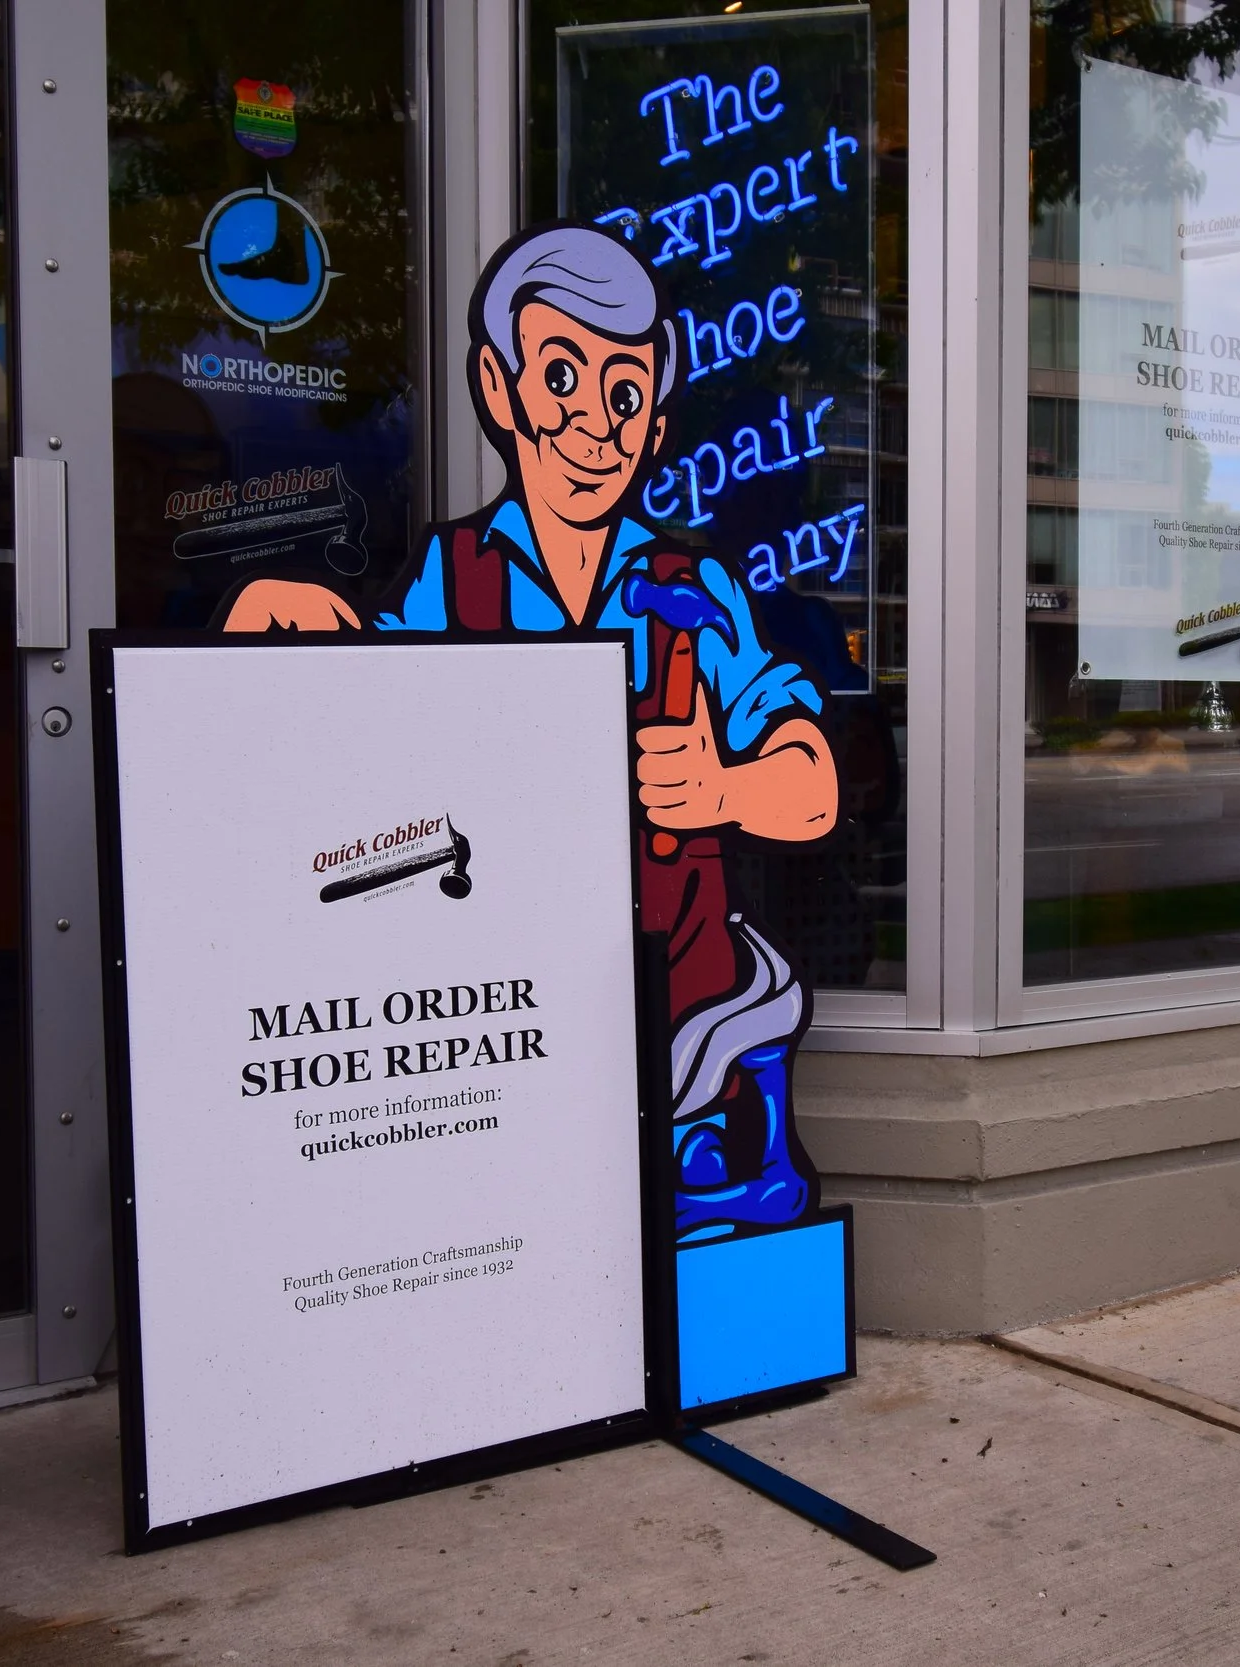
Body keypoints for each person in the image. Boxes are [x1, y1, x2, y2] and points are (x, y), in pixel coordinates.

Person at [222, 222, 837, 1241]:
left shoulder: (694, 588)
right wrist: (277, 633)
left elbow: (812, 785)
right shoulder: (451, 575)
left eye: (624, 396)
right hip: (505, 1015)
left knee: (691, 1242)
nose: (594, 423)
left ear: (653, 427)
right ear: (499, 390)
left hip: (681, 1011)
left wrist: (725, 787)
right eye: (561, 378)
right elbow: (364, 722)